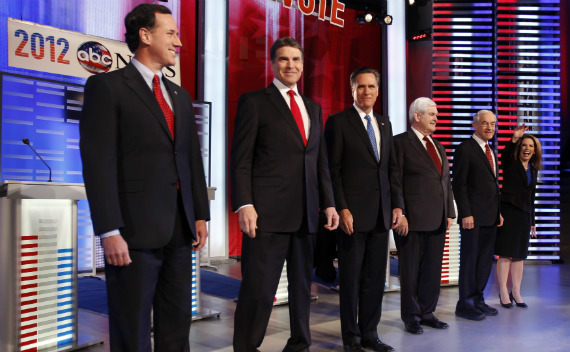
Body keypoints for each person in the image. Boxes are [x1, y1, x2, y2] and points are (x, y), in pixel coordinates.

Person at [80, 4, 210, 351]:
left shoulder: (179, 96)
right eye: (171, 33)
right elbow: (98, 164)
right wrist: (109, 230)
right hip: (132, 234)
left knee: (176, 325)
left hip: (180, 233)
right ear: (145, 35)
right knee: (132, 328)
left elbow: (190, 159)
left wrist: (199, 212)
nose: (178, 42)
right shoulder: (106, 87)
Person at [230, 37, 339, 352]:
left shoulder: (313, 108)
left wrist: (329, 203)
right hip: (267, 215)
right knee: (259, 290)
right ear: (273, 63)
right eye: (283, 59)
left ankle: (300, 344)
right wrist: (245, 204)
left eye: (296, 60)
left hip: (307, 214)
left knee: (303, 288)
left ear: (303, 66)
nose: (290, 65)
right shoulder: (255, 102)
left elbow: (320, 162)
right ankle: (246, 347)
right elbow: (241, 160)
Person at [324, 67, 403, 352]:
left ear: (378, 91)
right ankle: (351, 339)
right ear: (352, 90)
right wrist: (341, 208)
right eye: (361, 87)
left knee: (374, 280)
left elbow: (391, 170)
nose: (366, 91)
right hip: (352, 218)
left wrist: (398, 205)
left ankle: (370, 333)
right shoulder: (338, 122)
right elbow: (332, 171)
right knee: (351, 281)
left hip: (381, 216)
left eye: (371, 87)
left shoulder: (385, 124)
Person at [393, 98, 455, 335]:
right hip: (412, 220)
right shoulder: (400, 142)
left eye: (436, 114)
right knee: (410, 271)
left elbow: (445, 182)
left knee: (432, 269)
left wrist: (449, 212)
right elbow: (395, 181)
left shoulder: (438, 145)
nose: (436, 118)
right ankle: (411, 316)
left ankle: (427, 313)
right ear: (416, 116)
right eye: (432, 114)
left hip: (437, 219)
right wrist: (402, 213)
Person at [452, 110, 503, 321]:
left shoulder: (491, 150)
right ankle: (465, 303)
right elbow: (459, 184)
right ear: (475, 125)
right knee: (470, 260)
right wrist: (466, 213)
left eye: (493, 124)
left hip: (491, 216)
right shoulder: (465, 149)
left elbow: (493, 185)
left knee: (484, 261)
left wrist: (498, 211)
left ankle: (479, 299)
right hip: (472, 218)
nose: (490, 128)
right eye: (485, 124)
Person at [495, 124, 541, 309]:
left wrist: (532, 221)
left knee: (519, 256)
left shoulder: (533, 169)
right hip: (509, 212)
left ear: (534, 150)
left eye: (530, 146)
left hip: (524, 215)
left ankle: (516, 291)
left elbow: (532, 197)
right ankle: (504, 292)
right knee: (505, 254)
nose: (527, 148)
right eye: (524, 145)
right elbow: (505, 154)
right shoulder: (511, 164)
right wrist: (514, 139)